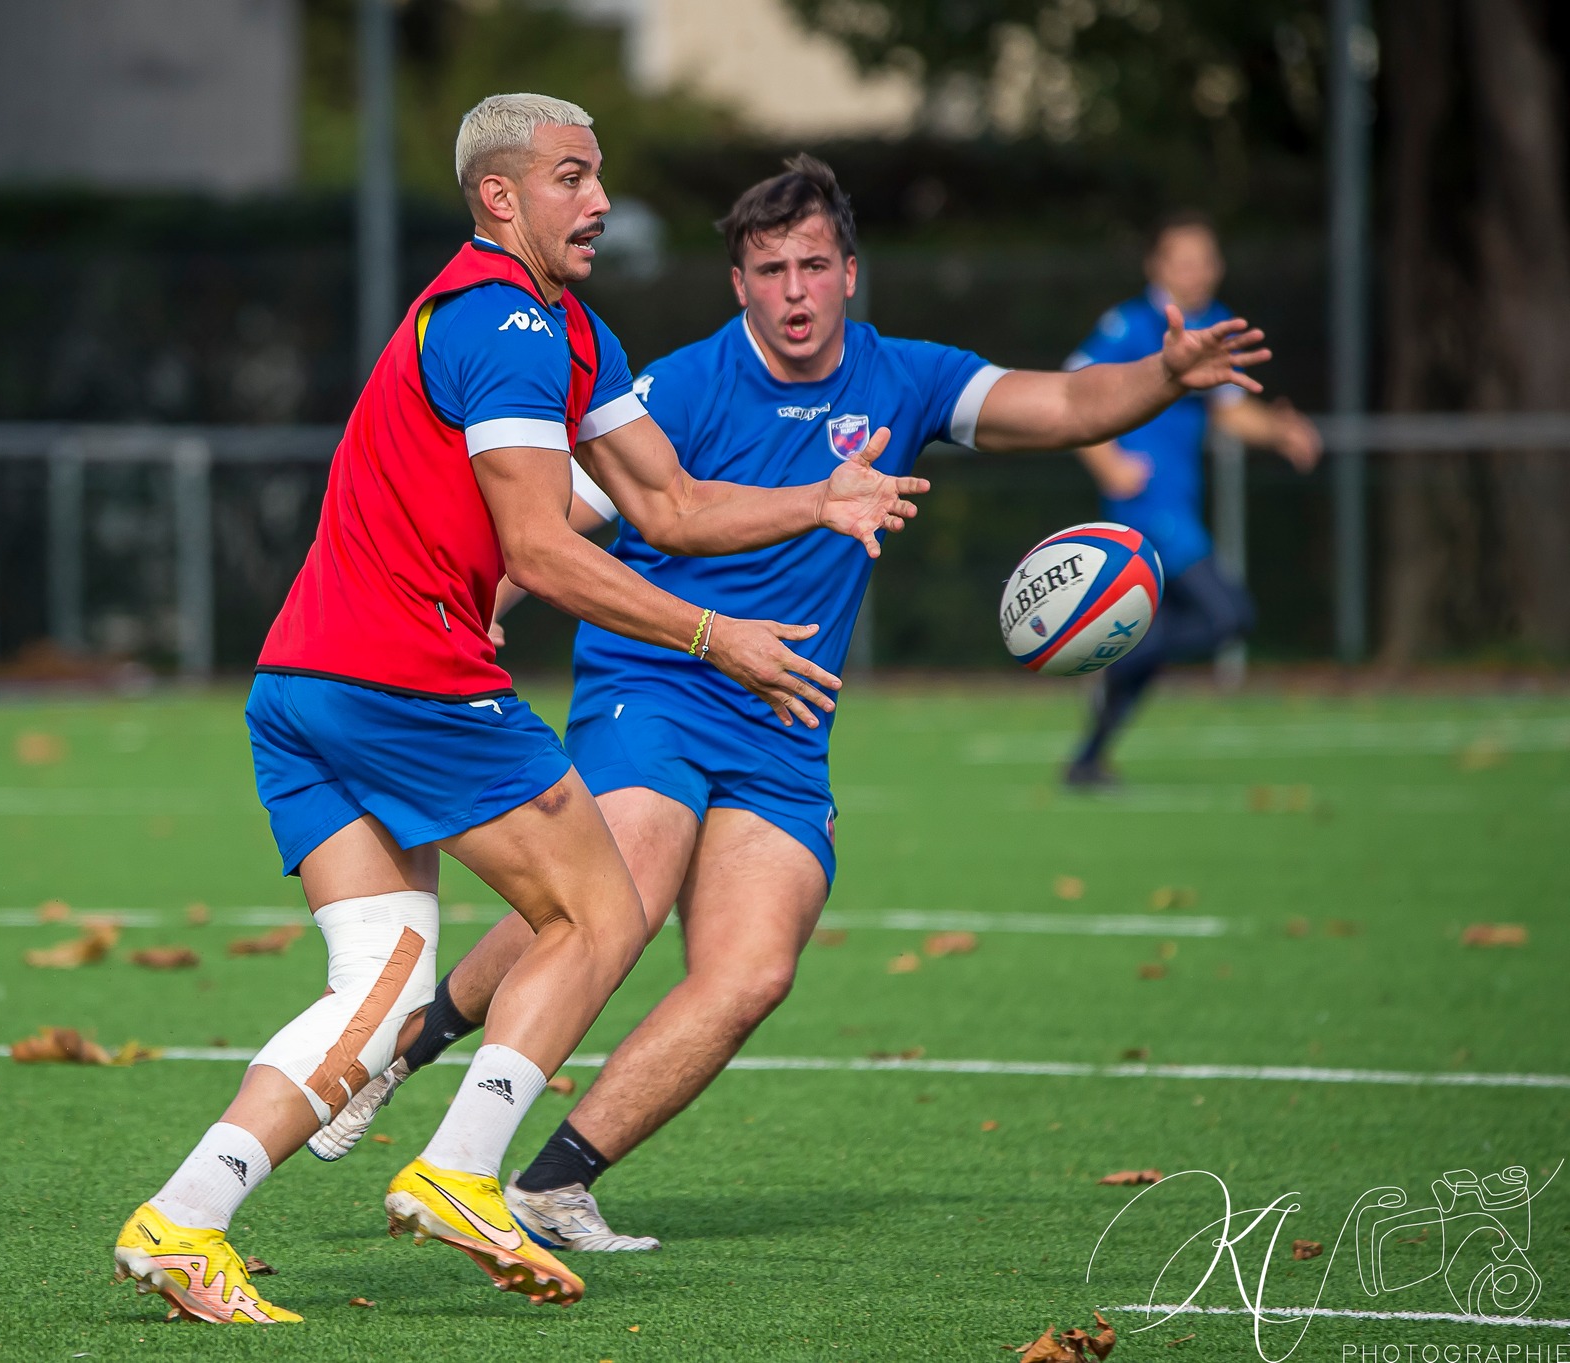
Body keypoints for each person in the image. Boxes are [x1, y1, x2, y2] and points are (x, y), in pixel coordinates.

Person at [303, 156, 1282, 1252]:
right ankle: (404, 1060)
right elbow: (566, 505)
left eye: (813, 264)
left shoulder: (903, 378)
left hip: (783, 720)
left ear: (850, 272)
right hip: (659, 683)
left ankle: (551, 1181)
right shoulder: (680, 384)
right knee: (620, 884)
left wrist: (1164, 371)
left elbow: (1055, 404)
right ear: (738, 285)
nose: (795, 290)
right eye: (768, 269)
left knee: (752, 970)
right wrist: (492, 584)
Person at [108, 100, 931, 1322]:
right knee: (599, 907)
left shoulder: (568, 330)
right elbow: (540, 553)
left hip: (301, 682)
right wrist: (719, 637)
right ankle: (458, 1167)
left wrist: (815, 500)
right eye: (570, 177)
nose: (597, 199)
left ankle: (182, 1218)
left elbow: (673, 506)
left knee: (379, 990)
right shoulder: (502, 324)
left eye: (597, 177)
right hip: (404, 680)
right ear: (500, 198)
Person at [1062, 211, 1323, 786]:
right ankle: (1110, 659)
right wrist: (1108, 461)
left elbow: (1232, 413)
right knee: (1229, 613)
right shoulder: (1132, 324)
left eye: (1205, 259)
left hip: (1179, 503)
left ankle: (1087, 758)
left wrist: (1279, 431)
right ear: (1157, 266)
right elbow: (1071, 384)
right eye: (1182, 259)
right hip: (1147, 510)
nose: (1195, 270)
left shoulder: (1217, 326)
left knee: (1151, 646)